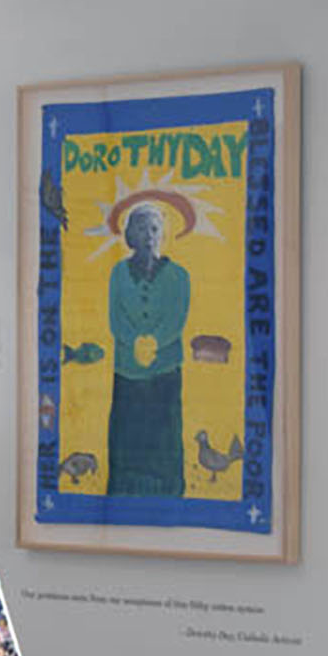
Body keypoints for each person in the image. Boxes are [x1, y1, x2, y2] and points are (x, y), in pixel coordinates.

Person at [104, 203, 189, 496]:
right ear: (129, 235)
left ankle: (167, 493)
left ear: (163, 235)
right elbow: (115, 318)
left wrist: (154, 342)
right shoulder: (117, 273)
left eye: (154, 229)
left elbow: (177, 316)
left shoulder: (179, 275)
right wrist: (134, 342)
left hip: (164, 371)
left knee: (164, 437)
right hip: (126, 371)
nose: (149, 235)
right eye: (141, 228)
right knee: (127, 437)